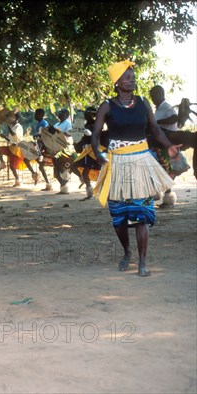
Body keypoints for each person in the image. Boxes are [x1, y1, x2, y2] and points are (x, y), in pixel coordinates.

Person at [91, 59, 180, 277]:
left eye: (133, 77)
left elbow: (156, 130)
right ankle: (127, 251)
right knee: (119, 217)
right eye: (127, 77)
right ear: (117, 82)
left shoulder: (142, 103)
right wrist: (98, 153)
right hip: (117, 164)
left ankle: (142, 261)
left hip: (141, 162)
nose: (132, 80)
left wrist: (169, 147)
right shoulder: (107, 106)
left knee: (142, 213)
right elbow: (95, 135)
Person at [149, 85, 180, 208]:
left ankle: (168, 199)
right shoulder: (159, 109)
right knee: (159, 169)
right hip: (159, 143)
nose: (152, 99)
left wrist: (158, 123)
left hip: (165, 143)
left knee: (165, 170)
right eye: (151, 97)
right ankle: (160, 194)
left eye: (154, 96)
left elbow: (175, 118)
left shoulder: (167, 107)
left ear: (160, 94)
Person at [71, 107, 109, 201]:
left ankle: (92, 193)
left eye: (87, 114)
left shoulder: (97, 125)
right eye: (85, 114)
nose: (85, 115)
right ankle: (88, 187)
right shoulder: (85, 125)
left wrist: (91, 134)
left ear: (92, 115)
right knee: (74, 166)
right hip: (86, 151)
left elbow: (99, 137)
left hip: (95, 150)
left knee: (88, 171)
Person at [0, 111, 39, 187]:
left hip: (17, 149)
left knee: (13, 165)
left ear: (17, 119)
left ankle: (20, 179)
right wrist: (4, 136)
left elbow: (14, 135)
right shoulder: (12, 126)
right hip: (11, 147)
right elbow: (11, 140)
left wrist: (7, 125)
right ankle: (2, 163)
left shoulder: (18, 126)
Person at [52, 108, 77, 194]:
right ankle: (63, 185)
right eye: (59, 113)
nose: (59, 114)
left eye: (61, 113)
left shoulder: (68, 123)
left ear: (66, 115)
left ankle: (64, 185)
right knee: (56, 166)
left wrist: (60, 133)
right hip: (56, 148)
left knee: (64, 166)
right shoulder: (56, 124)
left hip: (66, 148)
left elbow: (70, 133)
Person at [31, 108, 52, 191]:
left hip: (44, 146)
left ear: (41, 115)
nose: (35, 115)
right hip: (39, 145)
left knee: (40, 165)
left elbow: (46, 135)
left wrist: (37, 136)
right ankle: (46, 182)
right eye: (35, 114)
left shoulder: (44, 123)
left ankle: (47, 183)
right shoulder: (39, 123)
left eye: (37, 114)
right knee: (40, 166)